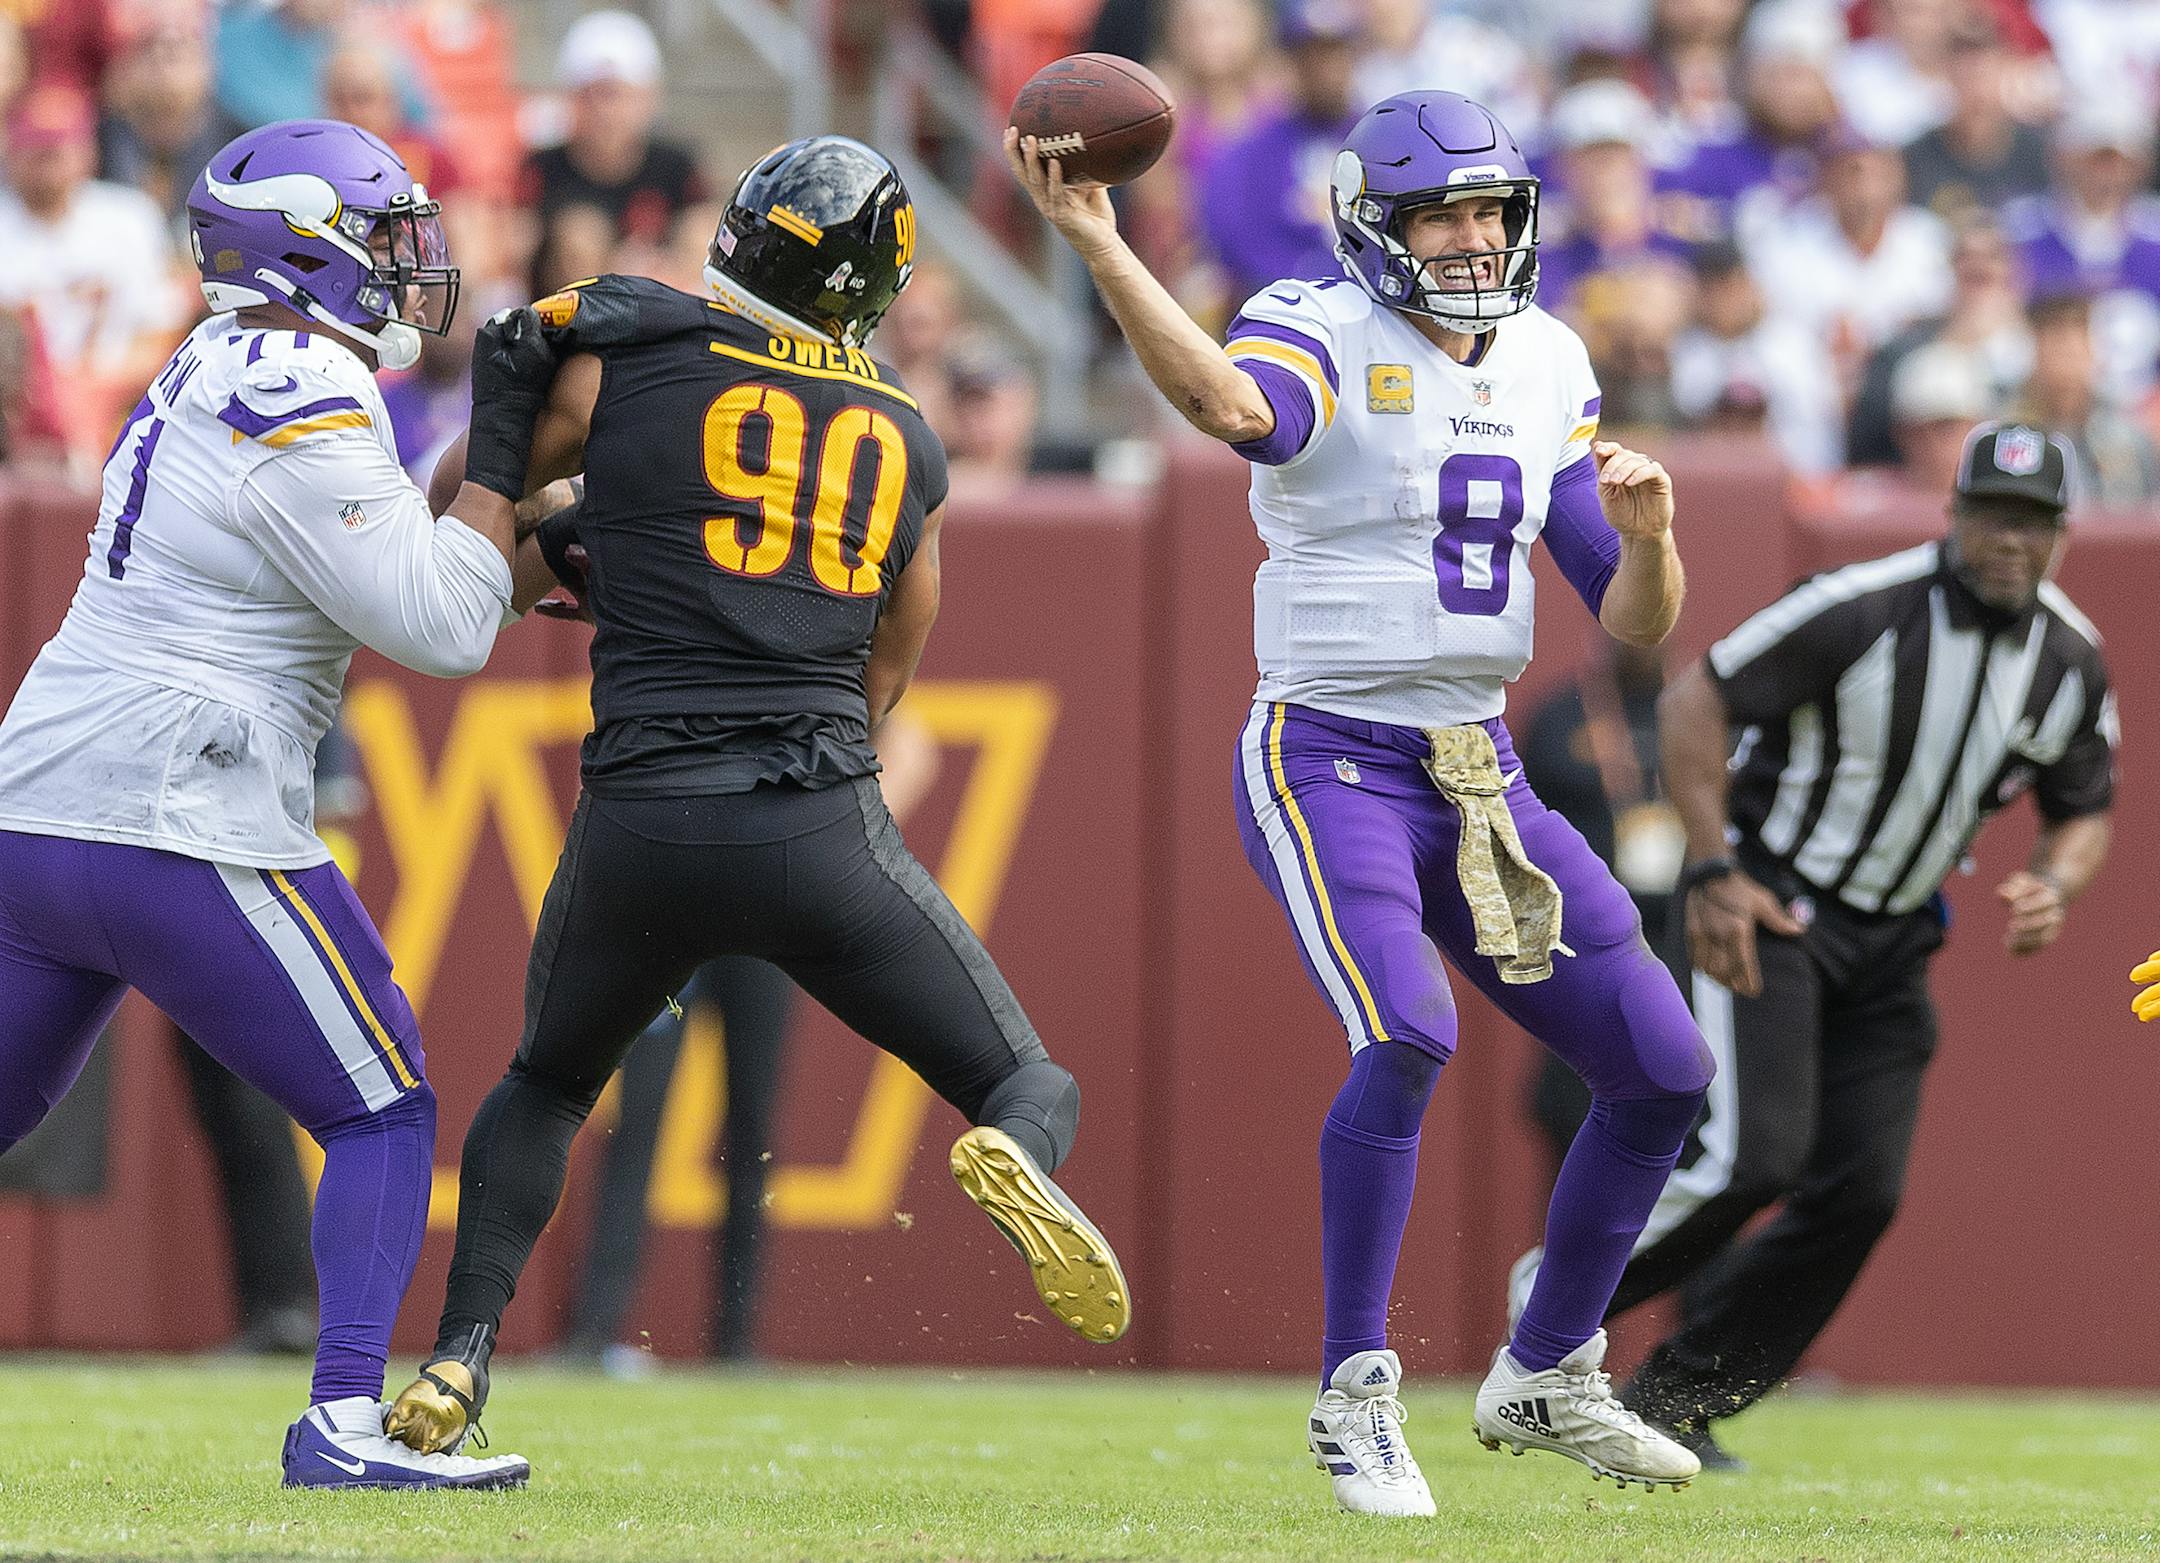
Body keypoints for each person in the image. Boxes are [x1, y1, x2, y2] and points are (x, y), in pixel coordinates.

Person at [1013, 89, 1714, 1515]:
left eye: (1489, 211)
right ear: (1376, 227)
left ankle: (1548, 1363)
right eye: (1442, 213)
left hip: (1480, 767)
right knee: (1407, 1030)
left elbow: (1632, 618)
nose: (1470, 238)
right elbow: (1233, 409)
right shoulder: (1319, 323)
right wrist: (1095, 236)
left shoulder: (1547, 359)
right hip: (1330, 753)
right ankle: (1354, 1388)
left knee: (1666, 1066)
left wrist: (1652, 538)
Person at [383, 135, 1131, 1465]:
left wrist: (578, 525)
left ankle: (459, 1351)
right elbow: (884, 672)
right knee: (1026, 1073)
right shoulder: (905, 436)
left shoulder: (627, 358)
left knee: (549, 1081)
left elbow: (466, 515)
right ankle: (1010, 1147)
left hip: (639, 820)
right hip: (810, 822)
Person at [0, 118, 554, 1488]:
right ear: (301, 253)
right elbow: (437, 623)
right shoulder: (305, 374)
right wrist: (504, 470)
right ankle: (345, 1422)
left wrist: (520, 517)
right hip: (178, 806)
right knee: (383, 1104)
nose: (404, 265)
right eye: (380, 239)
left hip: (38, 807)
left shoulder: (218, 356)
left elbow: (383, 555)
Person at [1542, 420, 2114, 1468]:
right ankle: (1554, 1301)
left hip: (1895, 939)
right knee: (1753, 1158)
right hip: (1773, 902)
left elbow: (2085, 800)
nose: (2011, 544)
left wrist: (2055, 882)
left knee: (1861, 1191)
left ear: (2065, 534)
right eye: (1994, 516)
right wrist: (1714, 871)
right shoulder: (1863, 608)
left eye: (2035, 525)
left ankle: (1676, 1398)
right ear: (1954, 516)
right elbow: (1693, 702)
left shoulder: (2068, 656)